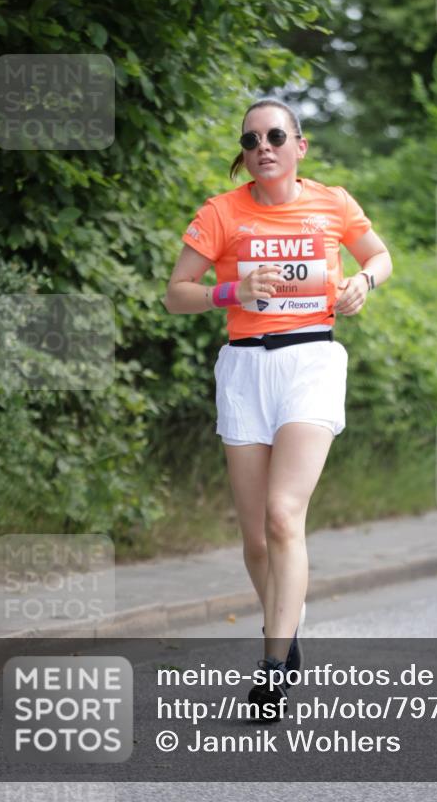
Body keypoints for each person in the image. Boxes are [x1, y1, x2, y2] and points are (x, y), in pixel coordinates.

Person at [163, 96, 392, 720]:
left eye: (274, 136)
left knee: (284, 515)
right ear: (244, 152)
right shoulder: (220, 212)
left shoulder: (333, 202)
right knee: (257, 538)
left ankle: (271, 666)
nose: (262, 147)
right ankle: (286, 632)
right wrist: (230, 289)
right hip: (245, 367)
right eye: (250, 140)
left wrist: (361, 284)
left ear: (299, 145)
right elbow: (175, 295)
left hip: (311, 362)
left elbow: (380, 255)